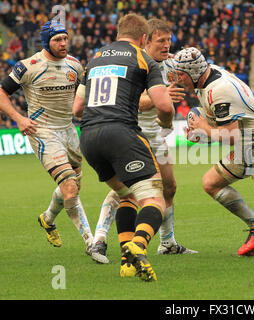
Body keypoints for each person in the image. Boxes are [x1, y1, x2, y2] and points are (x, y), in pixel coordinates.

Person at [175, 47, 254, 256]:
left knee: (210, 184)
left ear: (193, 72)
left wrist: (203, 128)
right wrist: (202, 129)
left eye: (181, 74)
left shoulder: (217, 90)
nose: (177, 78)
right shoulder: (212, 75)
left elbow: (230, 136)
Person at [85, 19, 197, 261]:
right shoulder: (137, 61)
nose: (167, 45)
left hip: (156, 136)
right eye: (161, 41)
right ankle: (99, 240)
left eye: (169, 40)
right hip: (133, 133)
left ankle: (167, 243)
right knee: (125, 192)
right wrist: (162, 98)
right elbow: (133, 102)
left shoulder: (170, 64)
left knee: (169, 187)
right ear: (147, 40)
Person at [73, 13, 174, 281]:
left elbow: (77, 108)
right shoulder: (144, 58)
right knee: (154, 199)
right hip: (122, 134)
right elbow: (164, 105)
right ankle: (138, 245)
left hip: (89, 138)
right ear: (143, 38)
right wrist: (167, 122)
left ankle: (127, 264)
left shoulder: (94, 59)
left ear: (118, 34)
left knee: (127, 195)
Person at [0, 20, 94, 254]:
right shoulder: (28, 66)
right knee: (70, 188)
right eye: (57, 40)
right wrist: (19, 119)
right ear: (46, 42)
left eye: (65, 38)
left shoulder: (75, 65)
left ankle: (48, 219)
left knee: (73, 187)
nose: (63, 43)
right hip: (42, 132)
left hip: (69, 131)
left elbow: (79, 100)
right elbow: (2, 91)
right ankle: (92, 242)